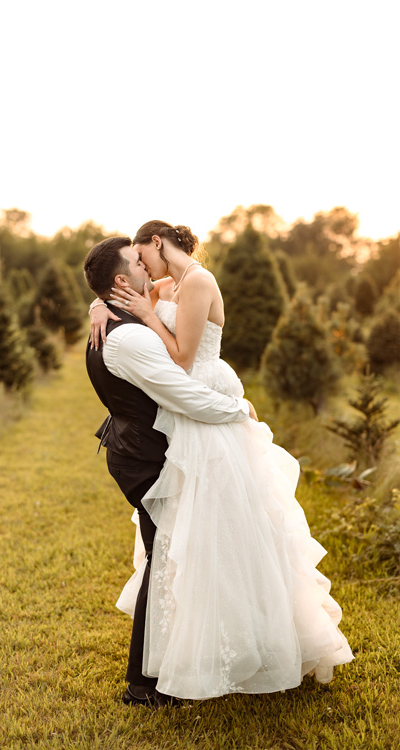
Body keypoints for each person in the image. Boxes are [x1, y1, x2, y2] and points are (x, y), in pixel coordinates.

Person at [85, 225, 351, 703]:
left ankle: (211, 653)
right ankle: (156, 675)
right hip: (186, 419)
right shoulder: (150, 303)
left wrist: (135, 309)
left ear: (160, 245)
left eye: (145, 256)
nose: (144, 267)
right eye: (137, 263)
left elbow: (182, 359)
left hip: (201, 414)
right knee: (184, 545)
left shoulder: (188, 285)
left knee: (221, 536)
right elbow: (178, 375)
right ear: (123, 280)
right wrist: (103, 304)